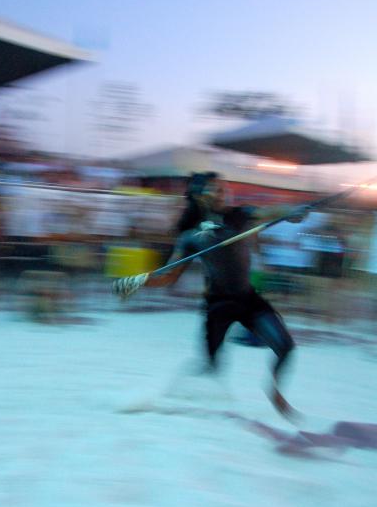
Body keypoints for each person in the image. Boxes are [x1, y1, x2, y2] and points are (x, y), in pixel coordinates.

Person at [113, 172, 309, 417]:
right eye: (215, 189)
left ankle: (275, 391)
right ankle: (170, 391)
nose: (222, 193)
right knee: (210, 368)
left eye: (222, 189)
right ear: (199, 196)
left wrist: (293, 211)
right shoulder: (190, 237)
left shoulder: (240, 214)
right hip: (218, 307)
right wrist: (138, 282)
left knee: (286, 347)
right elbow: (168, 277)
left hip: (248, 299)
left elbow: (272, 212)